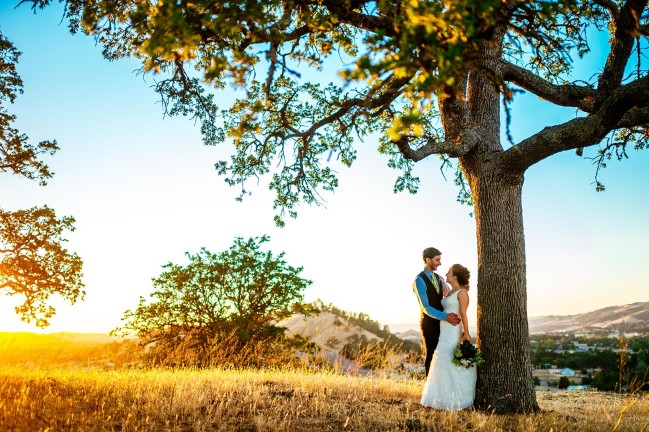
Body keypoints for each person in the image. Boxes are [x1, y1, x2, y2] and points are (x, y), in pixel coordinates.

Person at [420, 263, 477, 411]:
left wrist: (466, 333)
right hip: (443, 330)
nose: (446, 274)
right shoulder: (450, 291)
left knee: (450, 358)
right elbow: (439, 284)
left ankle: (458, 398)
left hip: (453, 330)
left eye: (449, 272)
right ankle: (440, 396)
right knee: (442, 360)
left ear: (455, 276)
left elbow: (463, 314)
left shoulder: (462, 293)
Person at [413, 247, 461, 376]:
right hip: (429, 324)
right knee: (431, 354)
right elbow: (426, 307)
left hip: (443, 323)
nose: (440, 263)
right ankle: (429, 389)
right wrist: (445, 316)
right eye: (437, 260)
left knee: (443, 354)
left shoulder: (439, 278)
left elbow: (448, 293)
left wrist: (461, 288)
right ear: (428, 260)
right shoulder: (419, 280)